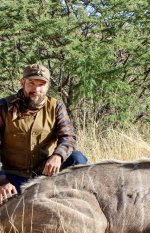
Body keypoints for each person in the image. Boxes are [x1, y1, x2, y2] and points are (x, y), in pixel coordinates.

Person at [0, 63, 87, 205]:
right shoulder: (4, 107)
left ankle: (70, 202)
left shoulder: (56, 106)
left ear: (48, 86)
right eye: (31, 83)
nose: (36, 89)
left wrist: (58, 155)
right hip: (12, 175)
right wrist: (2, 181)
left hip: (43, 174)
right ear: (23, 82)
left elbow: (68, 137)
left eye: (41, 84)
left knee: (77, 158)